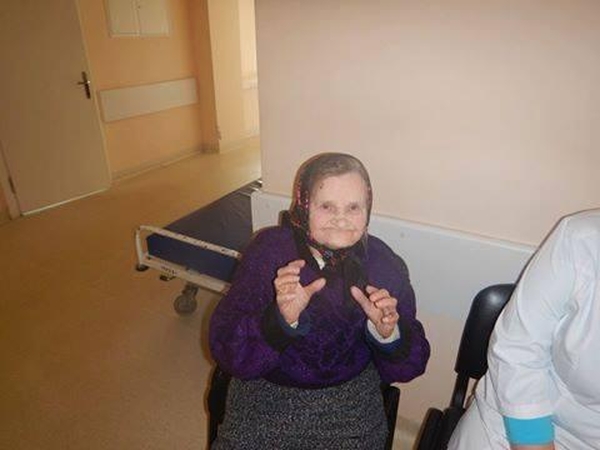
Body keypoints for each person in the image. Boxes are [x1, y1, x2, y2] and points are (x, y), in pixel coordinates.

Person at [209, 153, 430, 449]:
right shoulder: (269, 252)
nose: (341, 218)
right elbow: (228, 351)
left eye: (353, 207)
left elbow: (411, 367)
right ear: (304, 207)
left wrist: (389, 335)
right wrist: (279, 321)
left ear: (368, 209)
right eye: (327, 206)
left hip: (350, 403)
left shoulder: (383, 264)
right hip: (266, 394)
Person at [448, 209, 600, 450]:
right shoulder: (583, 239)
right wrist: (388, 337)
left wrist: (391, 337)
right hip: (512, 419)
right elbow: (517, 350)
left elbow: (408, 357)